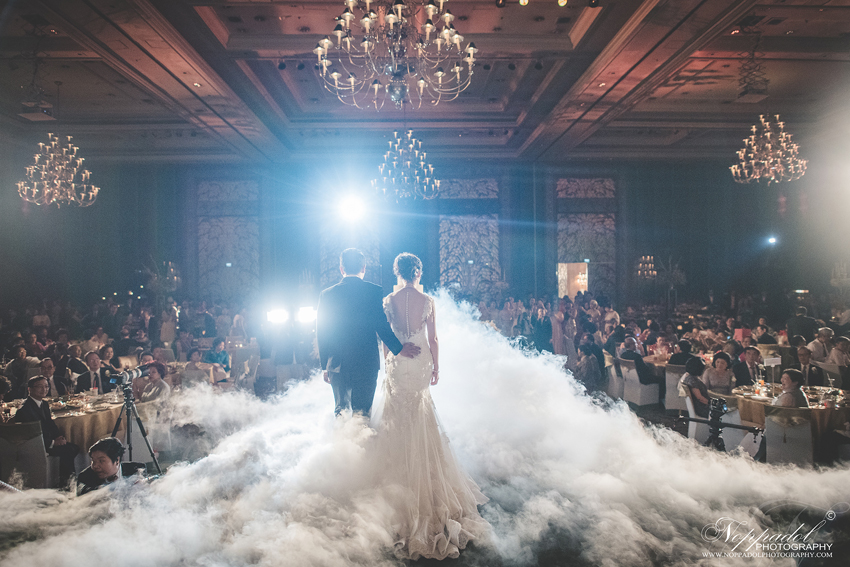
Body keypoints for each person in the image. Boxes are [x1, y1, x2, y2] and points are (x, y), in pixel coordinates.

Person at [376, 252, 488, 559]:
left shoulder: (388, 300)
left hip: (399, 361)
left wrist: (389, 360)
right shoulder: (428, 300)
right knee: (421, 416)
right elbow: (434, 338)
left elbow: (385, 338)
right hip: (422, 359)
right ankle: (425, 479)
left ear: (397, 271)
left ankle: (398, 485)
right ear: (419, 271)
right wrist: (437, 367)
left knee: (397, 416)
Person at [317, 248, 419, 416]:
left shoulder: (326, 294)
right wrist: (399, 349)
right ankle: (362, 442)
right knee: (362, 413)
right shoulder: (373, 291)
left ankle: (343, 442)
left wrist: (325, 366)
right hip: (366, 363)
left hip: (337, 364)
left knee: (341, 411)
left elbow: (322, 333)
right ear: (363, 268)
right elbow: (381, 325)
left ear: (341, 269)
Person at [14, 376, 80, 481]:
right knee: (68, 451)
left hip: (48, 441)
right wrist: (53, 442)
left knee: (74, 448)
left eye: (46, 386)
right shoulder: (24, 409)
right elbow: (30, 435)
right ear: (29, 389)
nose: (44, 389)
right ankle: (67, 483)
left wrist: (59, 437)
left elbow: (50, 424)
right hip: (37, 445)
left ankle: (66, 481)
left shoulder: (44, 404)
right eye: (39, 387)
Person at [76, 437, 146, 496]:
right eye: (93, 461)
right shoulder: (85, 477)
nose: (95, 466)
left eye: (101, 461)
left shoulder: (137, 469)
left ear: (117, 460)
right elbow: (83, 495)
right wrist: (106, 489)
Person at [619, 336, 664, 401]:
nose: (636, 345)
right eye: (635, 343)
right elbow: (644, 369)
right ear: (631, 345)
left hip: (629, 378)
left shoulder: (623, 355)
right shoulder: (636, 356)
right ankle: (659, 400)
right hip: (641, 379)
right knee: (661, 379)